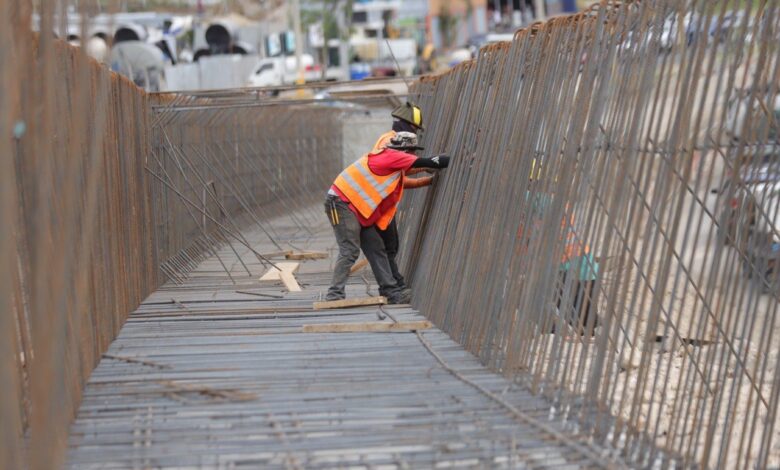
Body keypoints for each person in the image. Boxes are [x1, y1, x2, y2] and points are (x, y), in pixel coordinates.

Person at [325, 132, 450, 303]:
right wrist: (448, 159)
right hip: (341, 204)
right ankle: (334, 295)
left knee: (376, 247)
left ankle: (390, 292)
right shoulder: (392, 156)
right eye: (412, 151)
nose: (414, 155)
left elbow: (403, 179)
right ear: (406, 150)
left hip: (356, 209)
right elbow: (428, 162)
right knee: (350, 250)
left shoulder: (391, 161)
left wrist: (426, 180)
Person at [370, 102, 432, 292]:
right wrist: (427, 166)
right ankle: (393, 287)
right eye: (415, 128)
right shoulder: (390, 141)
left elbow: (398, 176)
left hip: (382, 202)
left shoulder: (388, 138)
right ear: (408, 124)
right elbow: (399, 169)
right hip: (379, 202)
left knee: (390, 246)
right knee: (388, 247)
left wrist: (424, 180)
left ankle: (394, 285)